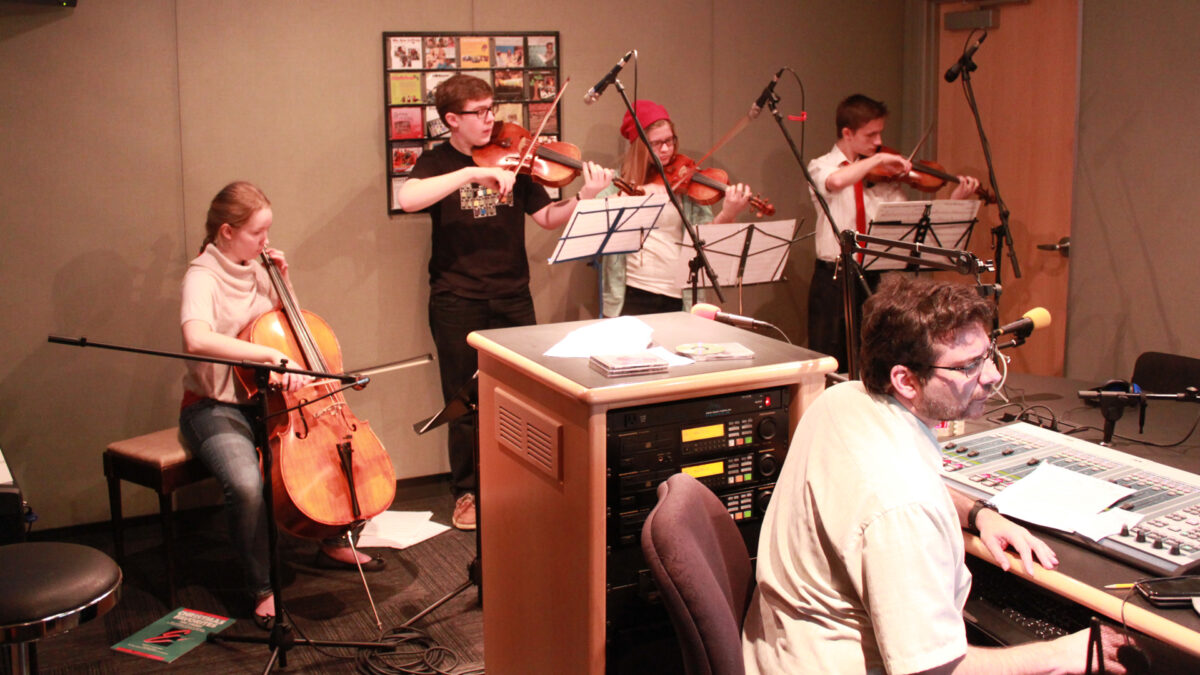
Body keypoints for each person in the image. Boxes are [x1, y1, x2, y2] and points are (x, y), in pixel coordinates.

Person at [742, 275, 1131, 674]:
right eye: (968, 367)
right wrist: (1062, 654)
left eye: (989, 354)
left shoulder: (840, 401)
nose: (992, 376)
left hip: (779, 648)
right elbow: (932, 670)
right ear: (906, 380)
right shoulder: (904, 508)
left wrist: (980, 514)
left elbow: (895, 488)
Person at [396, 74, 612, 531]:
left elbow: (548, 218)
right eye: (480, 113)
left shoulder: (518, 157)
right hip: (456, 298)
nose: (491, 120)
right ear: (453, 119)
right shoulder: (437, 162)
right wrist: (476, 172)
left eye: (493, 109)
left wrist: (584, 198)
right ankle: (468, 493)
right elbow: (408, 198)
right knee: (462, 399)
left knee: (526, 396)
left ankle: (521, 483)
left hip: (513, 295)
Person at [179, 181, 384, 629]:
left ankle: (333, 540)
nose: (265, 242)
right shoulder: (202, 276)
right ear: (228, 231)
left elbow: (286, 330)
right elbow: (196, 337)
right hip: (216, 407)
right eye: (257, 233)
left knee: (343, 454)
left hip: (271, 403)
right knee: (248, 486)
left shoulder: (256, 265)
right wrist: (266, 356)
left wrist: (285, 282)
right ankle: (261, 587)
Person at [806, 94, 982, 371]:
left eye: (880, 134)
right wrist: (878, 161)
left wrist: (956, 199)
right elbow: (836, 181)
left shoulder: (885, 180)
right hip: (834, 279)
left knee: (877, 359)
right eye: (871, 134)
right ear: (847, 133)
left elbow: (914, 227)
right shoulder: (822, 165)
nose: (878, 142)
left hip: (875, 277)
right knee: (830, 360)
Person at [599, 100, 752, 317]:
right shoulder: (618, 181)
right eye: (656, 143)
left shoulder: (684, 179)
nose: (666, 149)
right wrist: (642, 191)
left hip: (681, 296)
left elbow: (705, 237)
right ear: (639, 145)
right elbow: (596, 214)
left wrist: (728, 213)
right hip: (633, 294)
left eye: (670, 141)